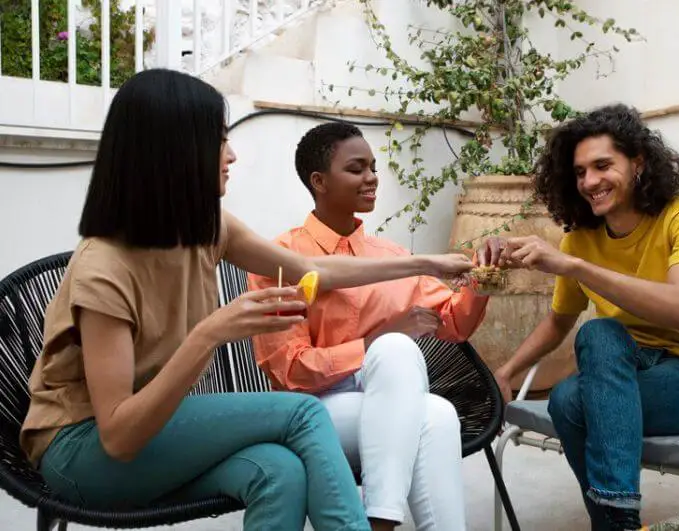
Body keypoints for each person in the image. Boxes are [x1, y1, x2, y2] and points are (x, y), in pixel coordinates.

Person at [19, 69, 474, 531]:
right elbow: (117, 435)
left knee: (280, 472)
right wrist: (212, 332)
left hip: (154, 432)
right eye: (219, 140)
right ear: (171, 152)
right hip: (82, 451)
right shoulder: (104, 269)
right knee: (302, 413)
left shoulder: (207, 226)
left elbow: (319, 270)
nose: (231, 154)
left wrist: (426, 264)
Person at [478, 104, 679, 531]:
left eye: (602, 165)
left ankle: (611, 523)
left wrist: (576, 268)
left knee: (569, 400)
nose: (589, 181)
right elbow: (560, 321)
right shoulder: (581, 239)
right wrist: (505, 371)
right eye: (580, 172)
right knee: (596, 337)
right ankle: (619, 521)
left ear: (638, 163)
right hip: (625, 371)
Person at [247, 122, 489, 531]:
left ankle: (379, 519)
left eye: (373, 167)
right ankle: (380, 522)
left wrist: (484, 277)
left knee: (439, 413)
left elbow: (453, 321)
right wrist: (376, 340)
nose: (372, 178)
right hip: (312, 411)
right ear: (319, 181)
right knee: (397, 353)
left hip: (388, 403)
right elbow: (291, 371)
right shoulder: (282, 258)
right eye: (357, 169)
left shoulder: (388, 255)